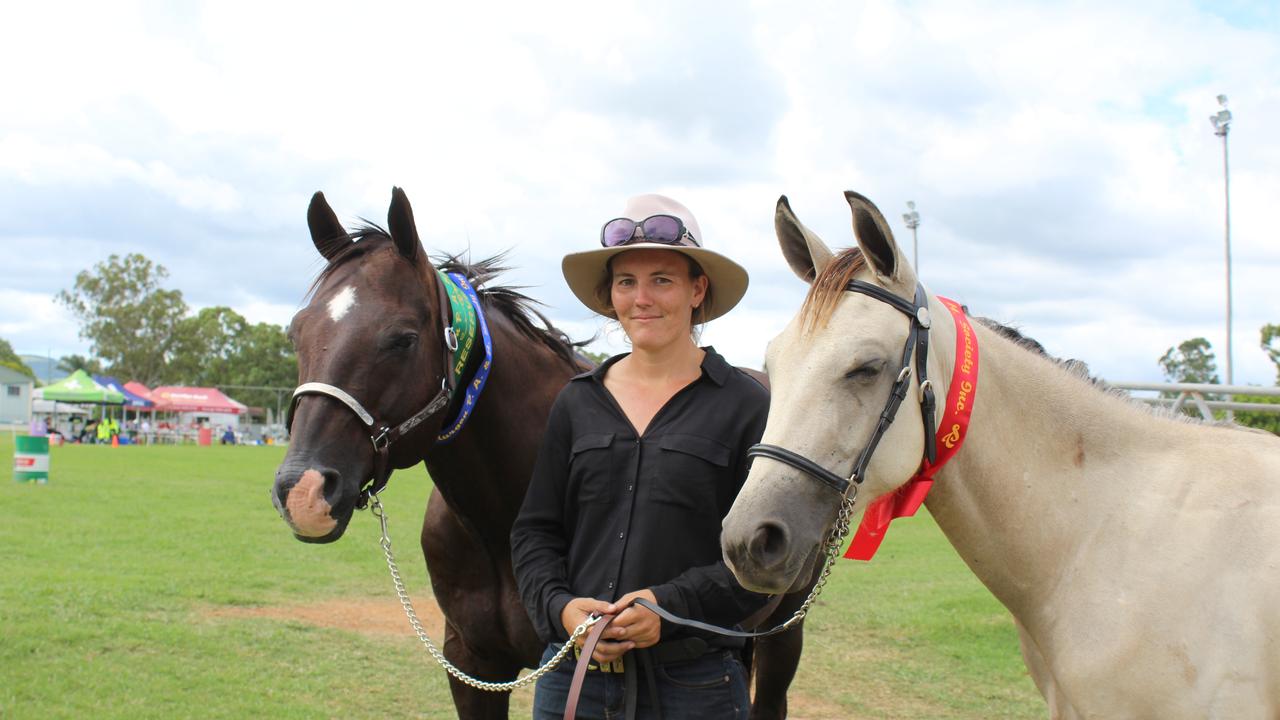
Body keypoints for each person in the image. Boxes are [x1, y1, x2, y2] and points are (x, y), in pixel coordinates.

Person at [511, 194, 770, 720]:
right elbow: (534, 532)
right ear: (610, 295)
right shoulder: (576, 402)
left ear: (698, 290)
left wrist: (670, 608)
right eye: (626, 282)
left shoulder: (746, 405)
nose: (641, 298)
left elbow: (763, 557)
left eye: (662, 279)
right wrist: (561, 609)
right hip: (573, 680)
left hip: (696, 688)